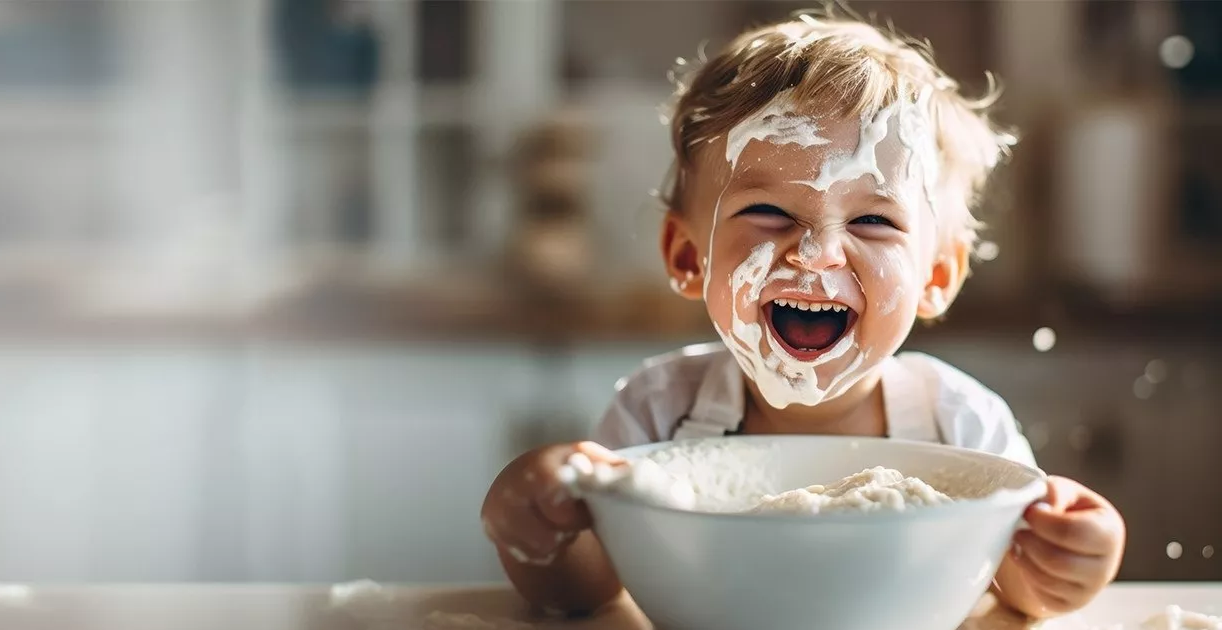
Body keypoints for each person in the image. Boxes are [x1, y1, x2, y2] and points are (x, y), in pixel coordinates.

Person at [479, 11, 1126, 621]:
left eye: (873, 221)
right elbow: (586, 592)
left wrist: (1069, 557)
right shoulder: (658, 413)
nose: (815, 254)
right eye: (768, 213)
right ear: (687, 255)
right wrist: (539, 531)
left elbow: (1019, 589)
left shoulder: (957, 422)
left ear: (935, 276)